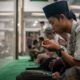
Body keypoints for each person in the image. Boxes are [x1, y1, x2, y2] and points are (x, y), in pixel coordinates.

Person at [16, 1, 80, 80]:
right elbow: (69, 61)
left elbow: (77, 64)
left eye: (52, 23)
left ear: (62, 17)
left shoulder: (78, 30)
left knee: (72, 72)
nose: (52, 28)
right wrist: (60, 73)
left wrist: (58, 49)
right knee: (23, 76)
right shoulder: (71, 35)